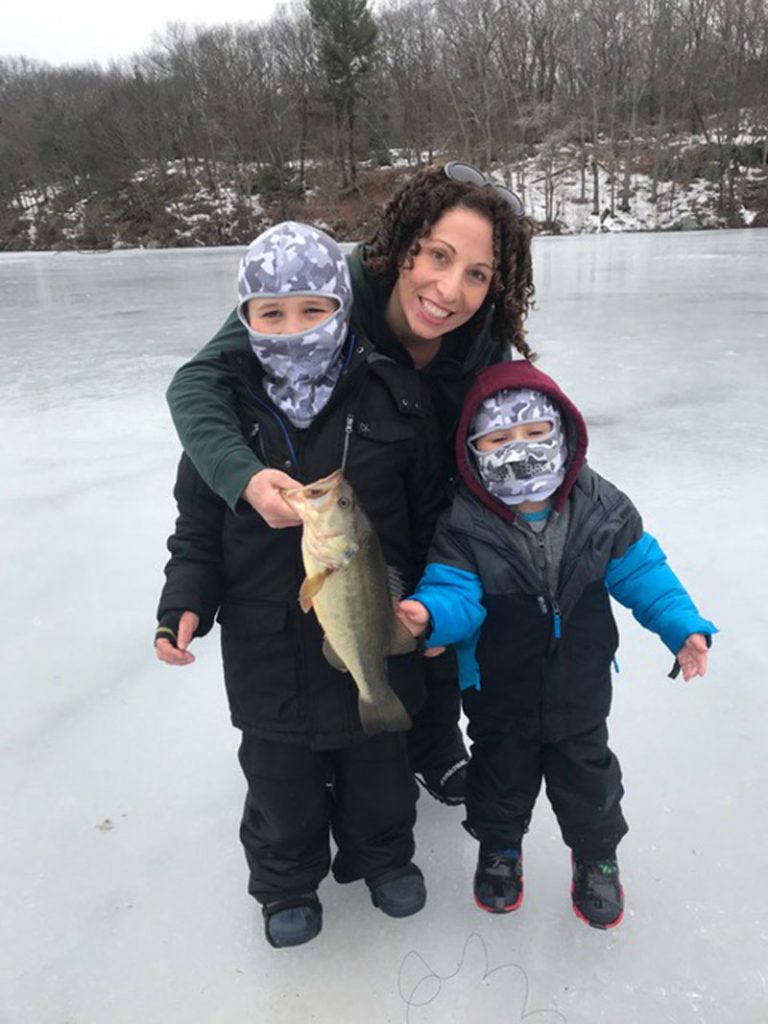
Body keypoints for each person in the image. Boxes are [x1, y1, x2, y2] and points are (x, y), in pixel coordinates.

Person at [163, 162, 536, 806]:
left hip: (427, 484)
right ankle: (333, 740)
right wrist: (244, 479)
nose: (449, 290)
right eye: (438, 257)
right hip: (349, 487)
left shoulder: (483, 344)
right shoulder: (331, 292)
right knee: (352, 612)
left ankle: (434, 741)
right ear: (403, 247)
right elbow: (197, 384)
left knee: (439, 593)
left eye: (476, 274)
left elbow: (510, 431)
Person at [155, 222, 445, 948]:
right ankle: (286, 880)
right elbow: (196, 530)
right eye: (271, 313)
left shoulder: (393, 395)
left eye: (313, 309)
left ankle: (384, 857)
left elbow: (430, 520)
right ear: (243, 320)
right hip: (264, 647)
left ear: (343, 307)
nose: (293, 328)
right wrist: (183, 606)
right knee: (277, 777)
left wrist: (433, 606)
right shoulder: (222, 415)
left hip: (370, 621)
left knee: (379, 767)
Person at [396, 360, 717, 930]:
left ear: (563, 433)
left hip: (580, 690)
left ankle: (596, 858)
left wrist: (681, 625)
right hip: (498, 691)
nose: (517, 449)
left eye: (535, 433)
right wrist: (428, 616)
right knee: (498, 780)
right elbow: (454, 592)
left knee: (588, 782)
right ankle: (500, 850)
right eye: (496, 438)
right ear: (472, 451)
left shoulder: (601, 507)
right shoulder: (465, 522)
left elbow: (644, 572)